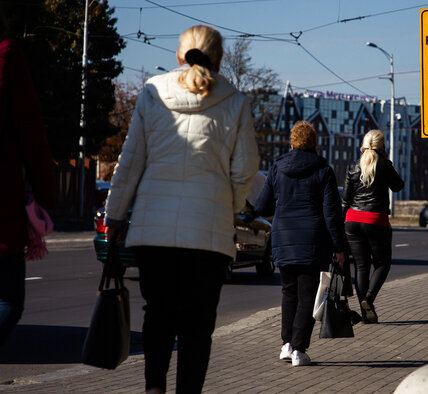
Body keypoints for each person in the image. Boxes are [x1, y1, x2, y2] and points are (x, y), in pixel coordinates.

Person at [105, 25, 259, 393]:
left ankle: (154, 388)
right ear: (219, 59)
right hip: (209, 236)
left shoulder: (152, 92)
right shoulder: (236, 103)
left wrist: (115, 214)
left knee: (157, 316)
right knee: (198, 326)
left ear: (179, 55)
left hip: (153, 232)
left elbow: (131, 162)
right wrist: (231, 206)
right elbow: (245, 170)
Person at [255, 120, 345, 367]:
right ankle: (298, 350)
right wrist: (339, 247)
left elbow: (263, 206)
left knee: (288, 293)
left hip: (283, 239)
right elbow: (331, 214)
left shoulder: (277, 168)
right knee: (307, 296)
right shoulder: (323, 171)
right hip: (312, 241)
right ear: (314, 143)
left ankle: (286, 344)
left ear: (292, 142)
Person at [0, 18, 57, 347]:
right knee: (7, 301)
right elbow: (31, 132)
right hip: (2, 205)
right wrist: (46, 197)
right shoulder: (7, 55)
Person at [342, 129, 405, 324]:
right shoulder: (384, 165)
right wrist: (388, 163)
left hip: (352, 220)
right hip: (375, 220)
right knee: (382, 264)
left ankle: (366, 312)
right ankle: (368, 300)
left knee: (361, 266)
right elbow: (398, 186)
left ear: (363, 145)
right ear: (382, 147)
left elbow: (345, 199)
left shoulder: (353, 167)